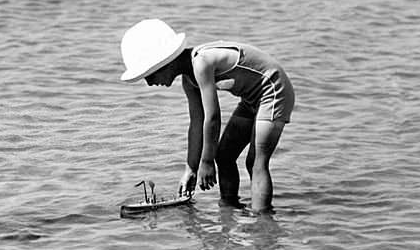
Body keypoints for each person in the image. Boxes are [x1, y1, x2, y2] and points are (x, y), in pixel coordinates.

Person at [119, 19, 294, 213]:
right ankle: (229, 210)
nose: (149, 83)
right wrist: (191, 168)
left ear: (165, 63)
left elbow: (213, 117)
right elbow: (197, 123)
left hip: (273, 90)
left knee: (255, 162)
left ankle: (263, 222)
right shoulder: (189, 80)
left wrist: (206, 162)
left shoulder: (201, 63)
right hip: (252, 99)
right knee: (224, 156)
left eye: (149, 75)